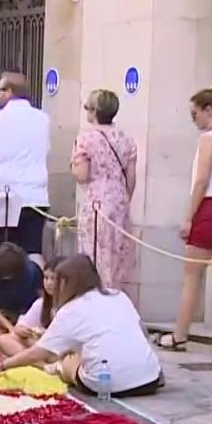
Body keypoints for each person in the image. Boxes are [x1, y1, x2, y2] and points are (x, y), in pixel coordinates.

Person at [0, 255, 162, 397]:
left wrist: (3, 366)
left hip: (107, 385)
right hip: (150, 379)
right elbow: (142, 332)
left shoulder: (71, 309)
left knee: (69, 360)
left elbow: (38, 353)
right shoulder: (118, 295)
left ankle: (55, 369)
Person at [159, 86, 212, 358]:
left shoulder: (208, 139)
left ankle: (179, 335)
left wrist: (188, 217)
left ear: (208, 111)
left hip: (210, 209)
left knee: (192, 278)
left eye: (194, 113)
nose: (192, 119)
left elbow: (201, 180)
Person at [0, 71, 51, 260]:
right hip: (36, 197)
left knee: (1, 255)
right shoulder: (43, 119)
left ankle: (3, 289)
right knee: (33, 253)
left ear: (10, 91)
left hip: (4, 198)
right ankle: (34, 288)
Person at [73, 89, 138, 291]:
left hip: (96, 203)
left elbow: (82, 175)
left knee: (95, 254)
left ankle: (97, 299)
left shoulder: (85, 139)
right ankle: (114, 296)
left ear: (94, 111)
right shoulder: (126, 139)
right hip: (119, 202)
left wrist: (74, 166)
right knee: (116, 257)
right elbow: (131, 178)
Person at [0, 256, 60, 358]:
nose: (49, 283)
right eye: (46, 278)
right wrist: (24, 332)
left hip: (58, 348)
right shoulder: (41, 303)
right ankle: (39, 363)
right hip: (37, 345)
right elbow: (20, 327)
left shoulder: (71, 306)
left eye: (53, 279)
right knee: (4, 339)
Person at [0, 242, 43, 337]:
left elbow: (43, 300)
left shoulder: (33, 271)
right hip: (7, 313)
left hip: (29, 313)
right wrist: (10, 328)